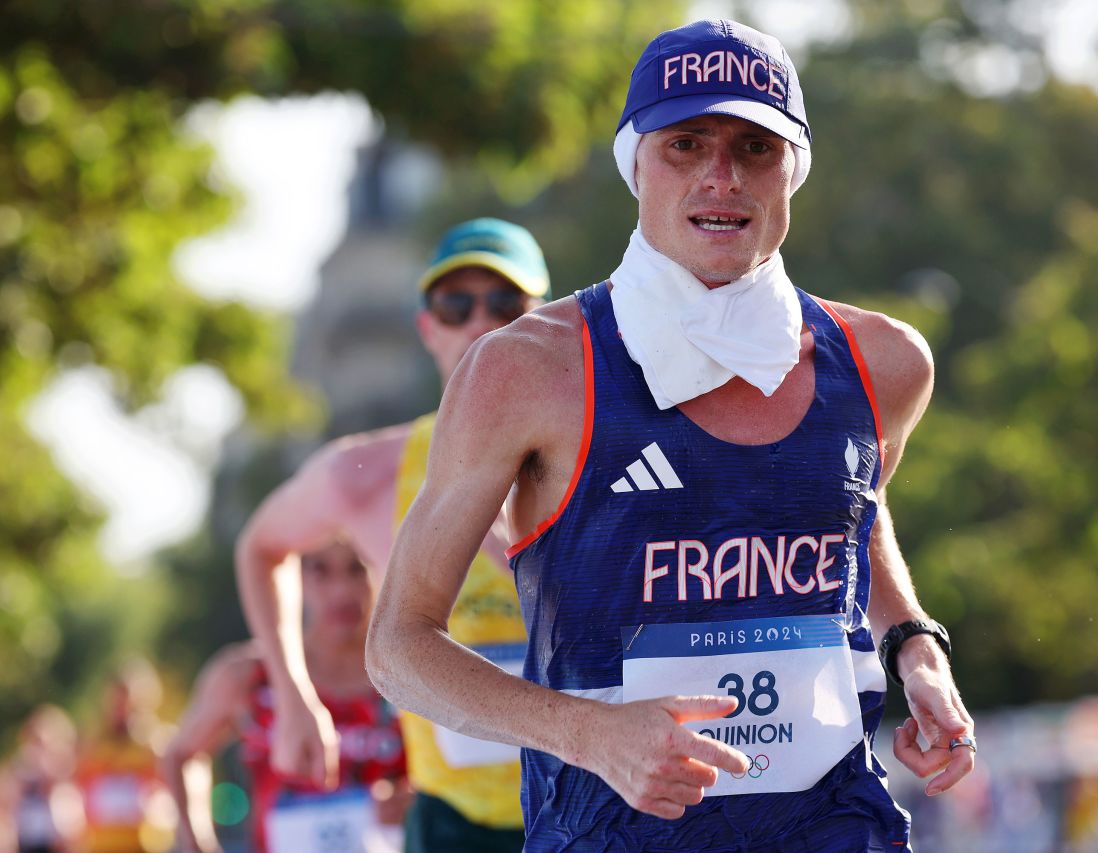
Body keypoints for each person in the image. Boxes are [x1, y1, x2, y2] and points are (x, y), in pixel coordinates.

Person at [366, 18, 975, 852]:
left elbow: (853, 522)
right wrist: (591, 734)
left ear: (793, 168)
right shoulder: (527, 371)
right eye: (685, 143)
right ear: (635, 163)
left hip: (835, 828)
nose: (721, 177)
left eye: (755, 147)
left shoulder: (887, 363)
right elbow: (399, 646)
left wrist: (915, 648)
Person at [234, 218, 548, 852]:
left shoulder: (614, 460)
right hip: (450, 822)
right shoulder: (370, 476)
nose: (480, 322)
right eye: (455, 304)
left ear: (545, 322)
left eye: (505, 303)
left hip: (593, 801)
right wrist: (294, 697)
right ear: (427, 328)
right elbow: (261, 547)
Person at [163, 541, 410, 853]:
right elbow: (181, 755)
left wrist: (420, 803)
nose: (341, 589)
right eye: (321, 570)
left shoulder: (411, 675)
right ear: (294, 578)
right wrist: (195, 840)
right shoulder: (250, 675)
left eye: (357, 569)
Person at [74, 659, 178, 853]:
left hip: (146, 844)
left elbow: (170, 791)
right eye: (116, 700)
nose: (121, 708)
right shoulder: (92, 743)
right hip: (101, 845)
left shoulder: (156, 742)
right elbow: (79, 787)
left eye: (128, 700)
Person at [0, 705, 84, 853]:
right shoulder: (19, 771)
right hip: (26, 841)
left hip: (54, 841)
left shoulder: (63, 773)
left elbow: (70, 827)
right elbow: (7, 807)